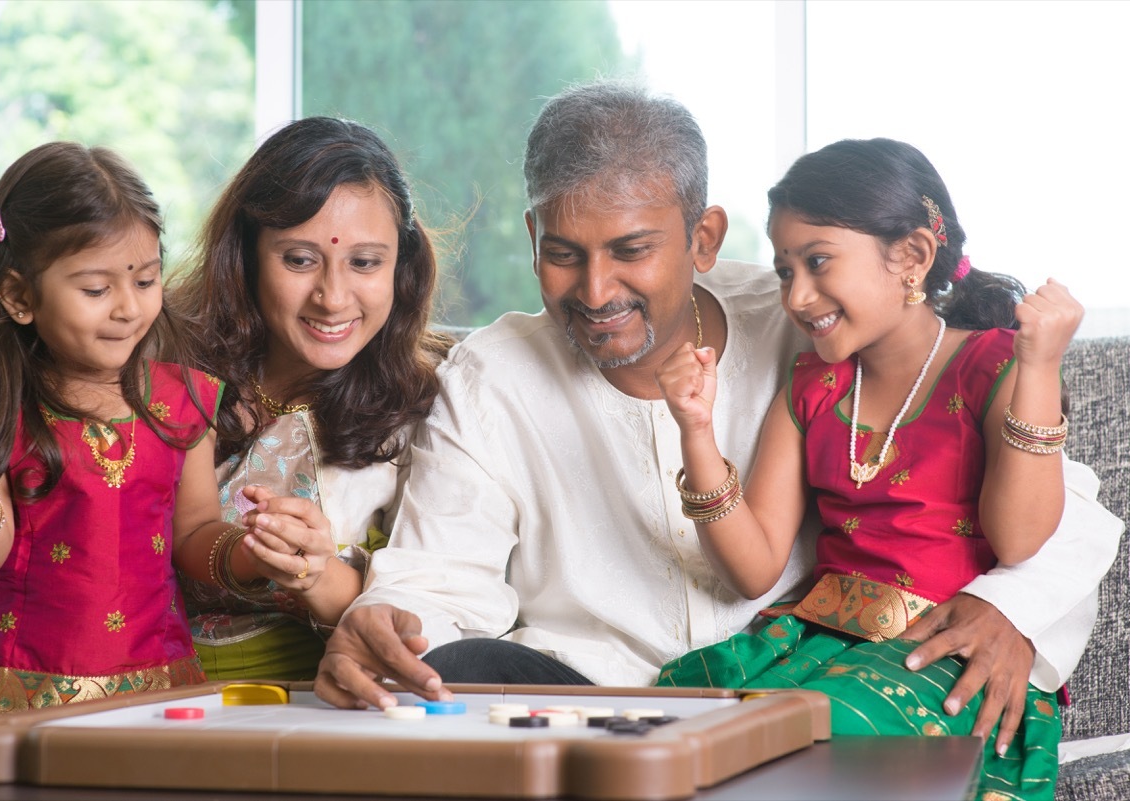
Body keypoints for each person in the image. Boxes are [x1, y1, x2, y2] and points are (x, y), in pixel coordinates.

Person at [313, 81, 1122, 763]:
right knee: (451, 674)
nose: (596, 291)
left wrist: (1015, 611)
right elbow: (439, 575)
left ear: (703, 237)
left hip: (810, 681)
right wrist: (383, 626)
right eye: (564, 252)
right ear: (531, 239)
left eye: (631, 249)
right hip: (590, 703)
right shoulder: (490, 375)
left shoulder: (813, 320)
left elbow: (1062, 505)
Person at [653, 138, 1078, 800]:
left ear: (910, 256)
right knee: (670, 726)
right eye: (784, 271)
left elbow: (1022, 538)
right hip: (818, 645)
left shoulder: (992, 365)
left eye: (818, 262)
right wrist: (697, 433)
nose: (797, 296)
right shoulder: (813, 384)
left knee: (795, 747)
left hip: (934, 659)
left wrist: (1041, 366)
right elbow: (754, 564)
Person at [0, 142, 292, 719]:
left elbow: (194, 530)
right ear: (20, 296)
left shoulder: (185, 398)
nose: (128, 308)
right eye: (96, 290)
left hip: (156, 688)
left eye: (146, 281)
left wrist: (251, 552)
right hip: (8, 693)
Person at [168, 116, 450, 680]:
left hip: (329, 700)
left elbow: (434, 612)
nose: (333, 296)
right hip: (146, 692)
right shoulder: (164, 375)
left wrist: (316, 573)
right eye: (299, 260)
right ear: (244, 255)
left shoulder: (434, 405)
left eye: (365, 263)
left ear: (403, 265)